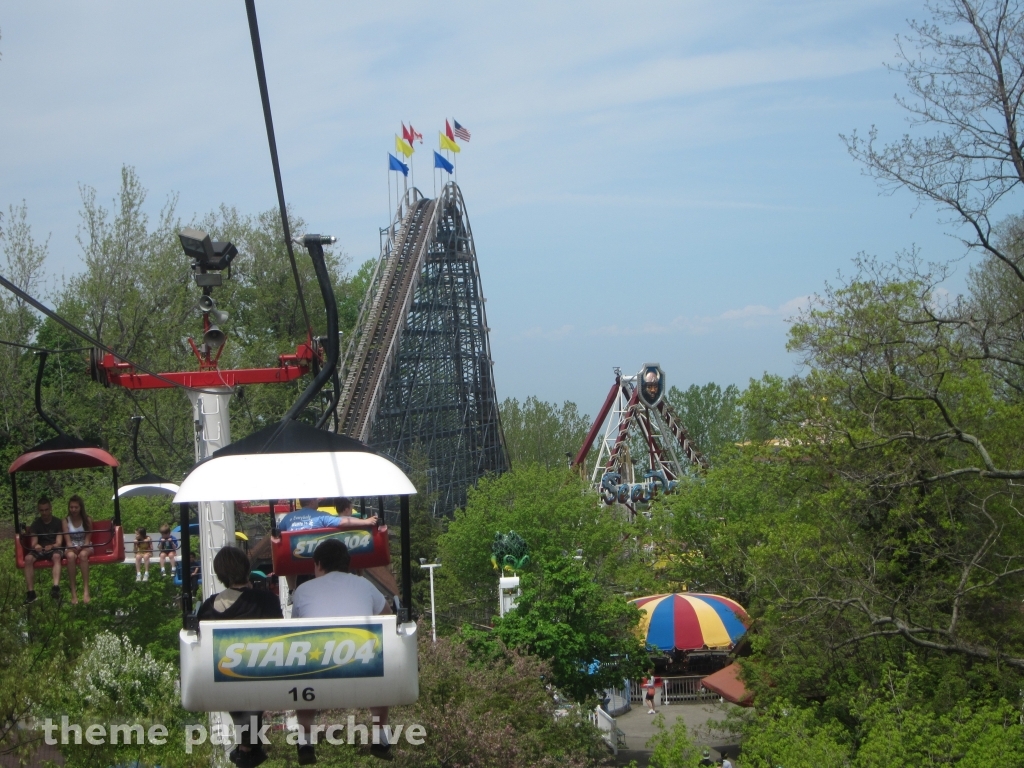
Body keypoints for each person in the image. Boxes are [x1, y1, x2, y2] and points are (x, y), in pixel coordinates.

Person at [291, 539, 392, 763]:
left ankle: (305, 740)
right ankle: (380, 734)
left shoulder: (303, 590)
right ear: (347, 564)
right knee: (379, 661)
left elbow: (295, 628)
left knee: (302, 670)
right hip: (360, 664)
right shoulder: (364, 585)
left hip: (317, 667)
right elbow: (388, 617)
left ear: (317, 564)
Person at [197, 546, 282, 768]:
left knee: (245, 708)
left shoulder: (207, 608)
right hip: (259, 672)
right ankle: (247, 748)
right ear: (246, 569)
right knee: (252, 701)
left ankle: (247, 748)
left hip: (220, 676)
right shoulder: (265, 601)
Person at [23, 496, 64, 603]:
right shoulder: (36, 524)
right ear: (39, 510)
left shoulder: (57, 522)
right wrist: (37, 546)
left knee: (56, 556)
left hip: (54, 547)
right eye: (42, 510)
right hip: (41, 548)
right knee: (28, 559)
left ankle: (55, 587)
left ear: (50, 508)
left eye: (46, 510)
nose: (44, 513)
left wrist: (52, 546)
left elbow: (59, 542)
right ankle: (31, 592)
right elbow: (34, 542)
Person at [62, 495, 93, 605]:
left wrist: (82, 547)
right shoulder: (66, 521)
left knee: (83, 556)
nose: (73, 510)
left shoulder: (87, 520)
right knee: (70, 557)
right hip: (72, 546)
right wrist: (73, 548)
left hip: (85, 546)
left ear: (81, 508)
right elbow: (68, 540)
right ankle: (73, 593)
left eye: (76, 507)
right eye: (71, 507)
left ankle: (86, 590)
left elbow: (87, 540)